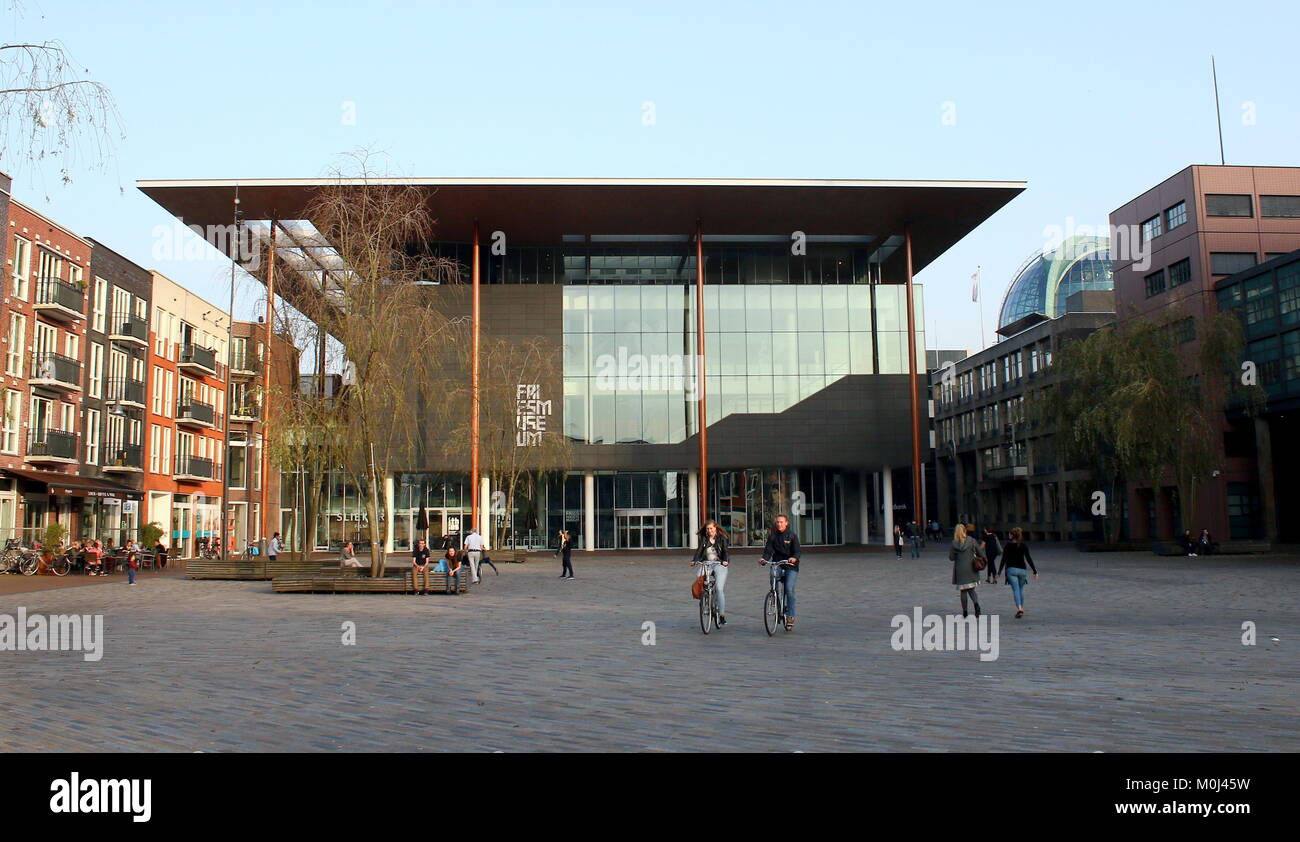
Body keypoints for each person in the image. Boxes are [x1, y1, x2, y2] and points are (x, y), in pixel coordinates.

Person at [760, 514, 801, 631]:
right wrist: (764, 558)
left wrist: (794, 558)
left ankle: (790, 617)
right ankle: (776, 603)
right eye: (777, 522)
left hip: (790, 565)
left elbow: (797, 552)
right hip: (777, 563)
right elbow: (768, 551)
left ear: (786, 523)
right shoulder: (772, 536)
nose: (779, 524)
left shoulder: (792, 536)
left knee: (789, 589)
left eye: (781, 522)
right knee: (773, 576)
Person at [692, 520, 730, 626]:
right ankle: (706, 595)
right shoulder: (704, 538)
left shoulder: (722, 538)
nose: (710, 531)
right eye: (708, 529)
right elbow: (699, 551)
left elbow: (725, 551)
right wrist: (694, 560)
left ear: (716, 528)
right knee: (699, 576)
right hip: (707, 563)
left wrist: (725, 561)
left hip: (719, 564)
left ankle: (721, 616)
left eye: (711, 528)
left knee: (719, 588)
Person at [1000, 527, 1038, 618]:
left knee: (1016, 590)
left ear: (1012, 536)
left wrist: (998, 572)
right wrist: (1034, 571)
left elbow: (1003, 559)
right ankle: (1021, 608)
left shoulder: (1008, 545)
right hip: (1022, 571)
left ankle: (1020, 608)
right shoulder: (1023, 545)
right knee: (1020, 590)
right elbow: (1028, 558)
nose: (1008, 535)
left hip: (1011, 570)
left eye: (1009, 534)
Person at [949, 524, 983, 618]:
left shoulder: (954, 543)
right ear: (965, 530)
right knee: (971, 589)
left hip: (960, 570)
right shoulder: (972, 540)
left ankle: (965, 611)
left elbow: (951, 558)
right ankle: (976, 605)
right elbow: (980, 552)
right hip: (971, 568)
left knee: (963, 591)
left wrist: (957, 555)